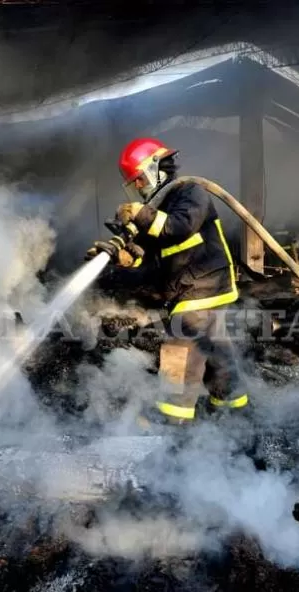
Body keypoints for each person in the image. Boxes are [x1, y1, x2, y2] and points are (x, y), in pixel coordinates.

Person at [86, 137, 248, 425]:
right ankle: (235, 412)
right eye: (133, 182)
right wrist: (124, 259)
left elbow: (178, 227)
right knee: (216, 352)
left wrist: (141, 214)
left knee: (179, 356)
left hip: (201, 289)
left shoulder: (189, 192)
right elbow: (151, 260)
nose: (137, 187)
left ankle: (173, 425)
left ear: (154, 168)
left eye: (139, 179)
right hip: (195, 291)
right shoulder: (157, 209)